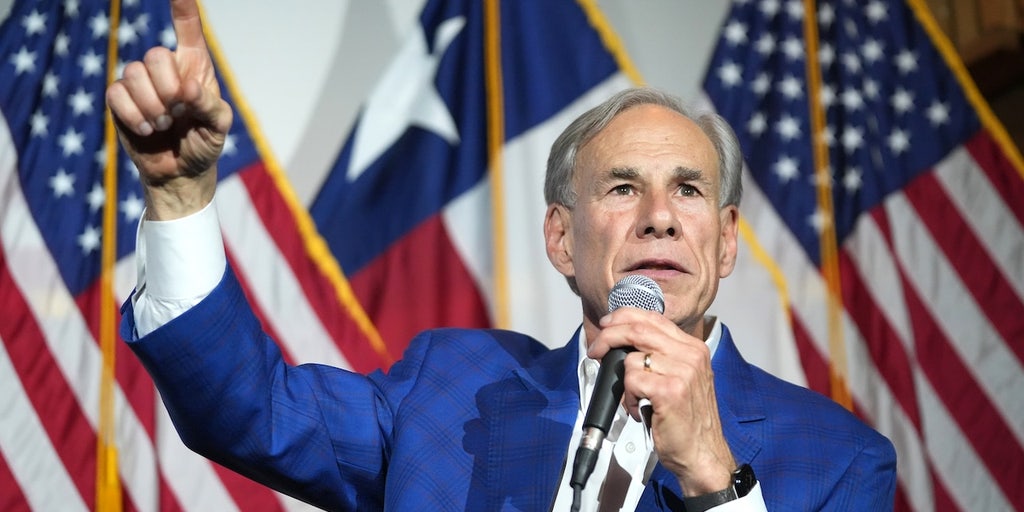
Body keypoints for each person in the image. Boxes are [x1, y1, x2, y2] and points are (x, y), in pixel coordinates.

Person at [108, 1, 897, 510]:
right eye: (622, 188)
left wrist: (716, 483)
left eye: (687, 190)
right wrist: (179, 195)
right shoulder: (447, 393)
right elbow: (251, 411)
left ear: (726, 242)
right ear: (560, 237)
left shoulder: (841, 461)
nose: (659, 218)